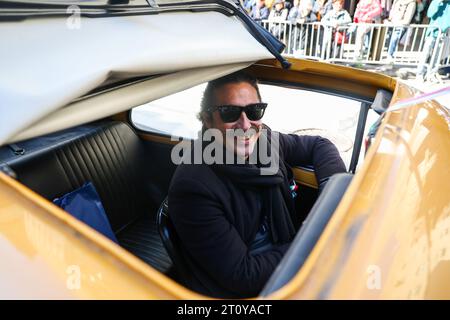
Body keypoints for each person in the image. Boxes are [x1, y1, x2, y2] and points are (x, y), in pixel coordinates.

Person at [168, 71, 346, 298]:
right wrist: (318, 244)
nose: (245, 125)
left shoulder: (266, 142)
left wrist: (334, 189)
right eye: (230, 113)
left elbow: (319, 145)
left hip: (284, 261)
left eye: (254, 111)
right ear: (207, 119)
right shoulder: (194, 188)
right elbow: (243, 276)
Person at [415, 0, 450, 80]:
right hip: (432, 32)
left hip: (442, 34)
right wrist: (438, 3)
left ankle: (431, 74)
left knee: (437, 55)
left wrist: (445, 29)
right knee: (426, 53)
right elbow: (429, 14)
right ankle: (420, 73)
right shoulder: (436, 1)